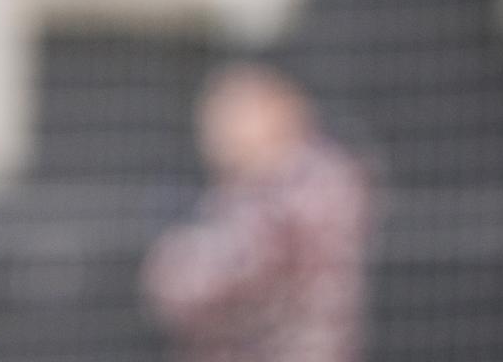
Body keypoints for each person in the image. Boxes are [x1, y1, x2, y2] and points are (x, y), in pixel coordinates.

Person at [141, 64, 373, 362]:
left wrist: (170, 261)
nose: (213, 135)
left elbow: (196, 287)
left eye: (228, 115)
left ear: (273, 111)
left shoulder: (284, 189)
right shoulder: (328, 176)